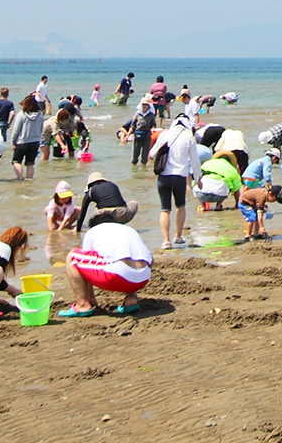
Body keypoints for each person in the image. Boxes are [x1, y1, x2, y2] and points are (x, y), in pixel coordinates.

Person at [56, 221, 154, 317]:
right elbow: (150, 259)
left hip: (116, 276)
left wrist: (91, 298)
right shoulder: (130, 230)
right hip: (142, 278)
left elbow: (85, 266)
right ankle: (131, 298)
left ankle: (82, 304)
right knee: (126, 257)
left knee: (72, 256)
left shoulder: (93, 230)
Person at [150, 116, 200, 249]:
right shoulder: (189, 137)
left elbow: (152, 153)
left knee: (165, 209)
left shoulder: (165, 134)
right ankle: (178, 236)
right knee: (180, 206)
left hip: (163, 176)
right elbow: (195, 161)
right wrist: (198, 178)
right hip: (179, 176)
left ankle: (166, 241)